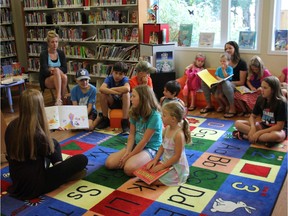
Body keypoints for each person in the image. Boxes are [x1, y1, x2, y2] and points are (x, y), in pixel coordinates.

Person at [4, 89, 88, 200]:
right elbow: (48, 147)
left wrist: (48, 131)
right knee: (82, 159)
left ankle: (59, 167)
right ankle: (61, 172)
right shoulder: (38, 135)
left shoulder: (12, 126)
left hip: (17, 180)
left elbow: (45, 146)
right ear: (39, 108)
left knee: (53, 142)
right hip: (35, 186)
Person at [105, 85, 163, 176]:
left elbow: (145, 140)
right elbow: (131, 135)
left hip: (151, 147)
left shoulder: (155, 116)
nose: (131, 98)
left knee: (128, 169)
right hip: (136, 143)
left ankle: (154, 159)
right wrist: (128, 152)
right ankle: (136, 158)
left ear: (143, 99)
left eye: (134, 96)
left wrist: (130, 155)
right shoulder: (134, 111)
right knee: (109, 163)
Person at [146, 101, 191, 186]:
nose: (161, 117)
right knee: (149, 174)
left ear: (173, 119)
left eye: (164, 115)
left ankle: (180, 176)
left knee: (154, 181)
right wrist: (155, 159)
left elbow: (177, 156)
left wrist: (162, 166)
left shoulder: (178, 135)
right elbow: (162, 146)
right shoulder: (167, 129)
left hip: (176, 166)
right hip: (166, 162)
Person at [233, 76, 287, 146]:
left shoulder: (281, 102)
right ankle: (266, 140)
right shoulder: (260, 98)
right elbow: (252, 116)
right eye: (261, 87)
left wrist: (258, 133)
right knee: (238, 123)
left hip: (277, 130)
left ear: (273, 90)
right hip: (264, 125)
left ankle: (245, 136)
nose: (262, 90)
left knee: (276, 136)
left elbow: (279, 126)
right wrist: (252, 128)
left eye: (265, 88)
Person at [201, 41, 248, 118]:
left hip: (233, 84)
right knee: (204, 80)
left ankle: (232, 108)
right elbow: (219, 74)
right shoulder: (224, 61)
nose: (228, 50)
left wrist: (226, 82)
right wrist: (219, 81)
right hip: (221, 83)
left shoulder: (242, 63)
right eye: (226, 48)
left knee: (226, 83)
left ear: (235, 49)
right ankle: (209, 105)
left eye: (230, 48)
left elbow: (242, 82)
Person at [95, 62, 130, 133]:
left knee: (126, 94)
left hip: (123, 103)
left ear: (124, 75)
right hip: (113, 102)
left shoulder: (125, 79)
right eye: (116, 73)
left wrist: (110, 90)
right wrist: (116, 91)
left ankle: (125, 121)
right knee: (103, 94)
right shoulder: (109, 78)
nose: (117, 76)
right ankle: (105, 119)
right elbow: (101, 89)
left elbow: (127, 89)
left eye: (120, 74)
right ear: (112, 72)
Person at [39, 30, 68, 106]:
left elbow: (65, 69)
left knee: (64, 76)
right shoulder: (43, 54)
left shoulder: (61, 53)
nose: (55, 44)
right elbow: (45, 71)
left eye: (56, 42)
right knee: (58, 71)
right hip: (47, 80)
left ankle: (59, 100)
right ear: (48, 43)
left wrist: (54, 70)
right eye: (52, 42)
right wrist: (55, 71)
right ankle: (60, 98)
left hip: (60, 78)